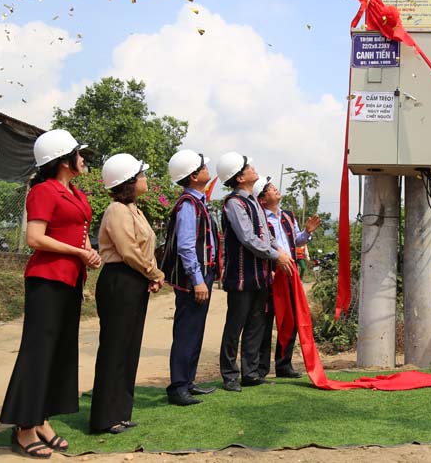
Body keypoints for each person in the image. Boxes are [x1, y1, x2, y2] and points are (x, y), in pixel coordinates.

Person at [0, 129, 101, 457]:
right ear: (64, 160)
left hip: (71, 279)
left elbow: (79, 233)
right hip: (47, 279)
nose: (83, 159)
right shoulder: (44, 191)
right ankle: (24, 427)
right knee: (39, 350)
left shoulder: (76, 193)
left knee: (60, 350)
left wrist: (90, 251)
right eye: (79, 154)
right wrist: (78, 251)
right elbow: (35, 237)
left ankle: (41, 417)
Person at [89, 154, 165, 434]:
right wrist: (155, 273)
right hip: (119, 280)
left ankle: (120, 412)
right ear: (128, 182)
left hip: (134, 279)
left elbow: (143, 249)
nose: (146, 178)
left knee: (129, 347)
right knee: (115, 347)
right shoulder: (117, 211)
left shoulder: (134, 209)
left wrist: (151, 274)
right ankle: (104, 417)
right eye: (141, 174)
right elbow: (128, 250)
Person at [215, 154, 292, 391]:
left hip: (259, 275)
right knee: (235, 326)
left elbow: (266, 235)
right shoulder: (234, 203)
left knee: (255, 325)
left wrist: (279, 250)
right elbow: (248, 238)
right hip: (240, 276)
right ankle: (229, 375)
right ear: (239, 177)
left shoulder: (252, 203)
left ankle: (250, 373)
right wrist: (275, 255)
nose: (253, 168)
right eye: (247, 167)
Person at [159, 149, 219, 407]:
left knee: (195, 330)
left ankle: (188, 381)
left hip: (202, 273)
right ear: (194, 176)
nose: (207, 168)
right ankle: (178, 386)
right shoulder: (187, 204)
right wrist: (197, 280)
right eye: (203, 166)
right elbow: (185, 246)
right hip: (192, 277)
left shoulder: (197, 201)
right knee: (186, 331)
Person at [257, 179, 321, 379]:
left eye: (273, 187)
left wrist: (307, 233)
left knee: (290, 319)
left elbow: (296, 241)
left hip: (289, 273)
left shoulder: (287, 216)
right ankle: (260, 368)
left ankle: (284, 364)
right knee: (266, 321)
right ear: (263, 199)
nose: (275, 189)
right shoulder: (260, 218)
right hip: (272, 272)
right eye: (269, 189)